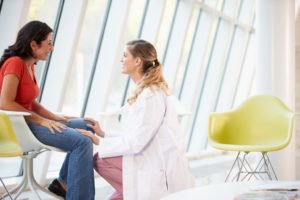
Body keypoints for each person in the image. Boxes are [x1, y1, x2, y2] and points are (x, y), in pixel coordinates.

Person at [77, 39, 195, 200]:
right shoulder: (147, 92)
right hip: (151, 159)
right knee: (105, 165)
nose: (122, 59)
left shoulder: (150, 96)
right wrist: (103, 134)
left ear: (138, 61)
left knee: (100, 159)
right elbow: (136, 136)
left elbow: (138, 141)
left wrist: (99, 142)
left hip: (158, 167)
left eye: (125, 55)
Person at [0, 21, 95, 200]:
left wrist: (55, 117)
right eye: (49, 43)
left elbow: (30, 102)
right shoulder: (15, 63)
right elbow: (5, 103)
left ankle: (62, 185)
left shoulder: (29, 65)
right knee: (82, 142)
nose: (51, 48)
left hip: (29, 122)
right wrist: (41, 120)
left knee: (87, 125)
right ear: (33, 44)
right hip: (20, 128)